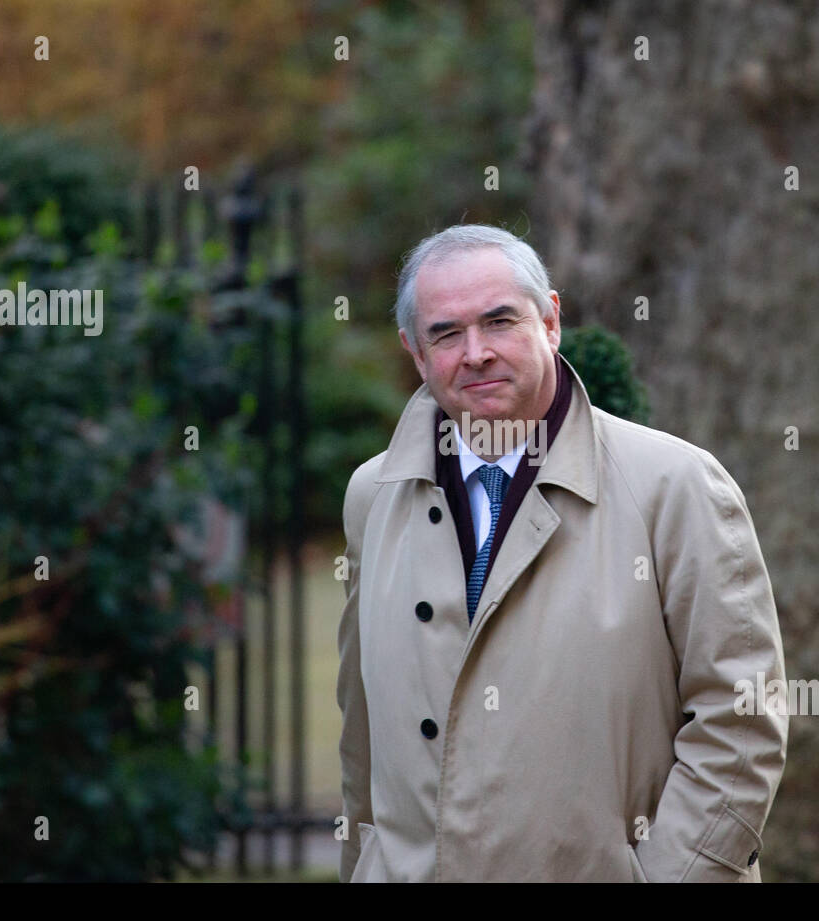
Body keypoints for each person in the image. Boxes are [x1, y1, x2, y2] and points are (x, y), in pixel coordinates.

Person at [336, 224, 786, 881]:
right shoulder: (371, 497)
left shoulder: (676, 486)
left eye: (500, 321)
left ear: (550, 319)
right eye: (446, 333)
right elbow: (362, 737)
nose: (477, 352)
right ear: (414, 351)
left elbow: (740, 724)